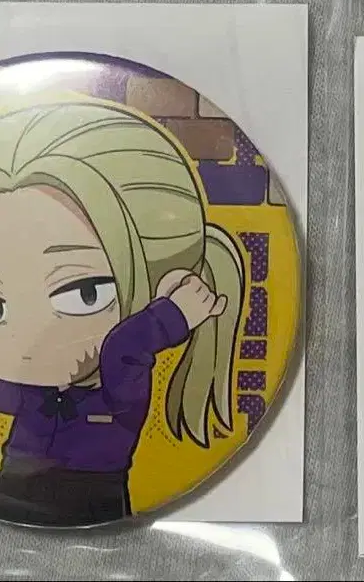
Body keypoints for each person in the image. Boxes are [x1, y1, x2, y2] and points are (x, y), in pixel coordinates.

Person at [0, 96, 244, 526]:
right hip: (14, 489)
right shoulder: (37, 387)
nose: (23, 336)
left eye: (83, 292)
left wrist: (172, 316)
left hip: (86, 496)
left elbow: (124, 348)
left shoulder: (119, 388)